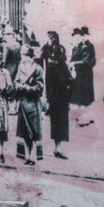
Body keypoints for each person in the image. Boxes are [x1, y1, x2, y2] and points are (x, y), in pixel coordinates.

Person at [40, 31, 71, 159]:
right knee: (60, 121)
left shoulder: (51, 61)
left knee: (57, 121)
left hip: (55, 94)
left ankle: (58, 148)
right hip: (59, 95)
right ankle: (58, 148)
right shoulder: (57, 63)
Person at [14, 43, 45, 166]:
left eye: (22, 54)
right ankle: (27, 157)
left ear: (28, 56)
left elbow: (40, 88)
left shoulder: (38, 69)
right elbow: (16, 81)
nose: (21, 56)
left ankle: (33, 156)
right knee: (24, 132)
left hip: (33, 104)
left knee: (34, 132)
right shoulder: (20, 66)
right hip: (23, 103)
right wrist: (17, 86)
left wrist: (26, 88)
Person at [69, 27, 96, 108]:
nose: (83, 37)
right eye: (75, 37)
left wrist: (74, 64)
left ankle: (84, 110)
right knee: (78, 95)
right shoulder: (75, 47)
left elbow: (89, 60)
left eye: (81, 36)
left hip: (84, 73)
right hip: (77, 72)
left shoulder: (87, 46)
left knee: (84, 95)